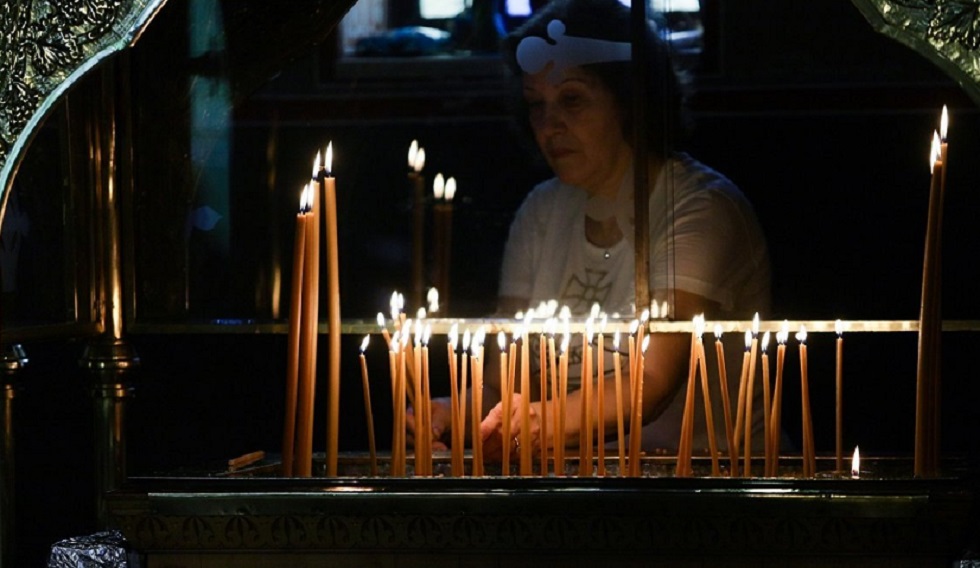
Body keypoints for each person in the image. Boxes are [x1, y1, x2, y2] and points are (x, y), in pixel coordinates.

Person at [412, 0, 771, 466]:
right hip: (587, 480)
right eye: (536, 105)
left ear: (629, 100)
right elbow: (506, 377)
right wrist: (451, 411)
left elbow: (653, 380)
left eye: (573, 99)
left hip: (711, 481)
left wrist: (541, 420)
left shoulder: (701, 208)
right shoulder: (542, 210)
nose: (549, 125)